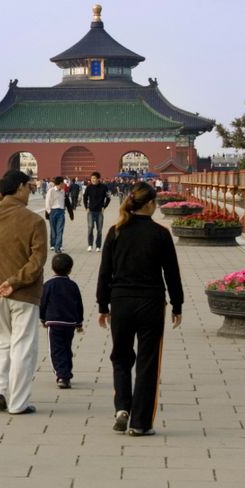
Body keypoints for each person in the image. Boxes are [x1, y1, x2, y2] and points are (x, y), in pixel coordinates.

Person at [97, 182, 183, 436]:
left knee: (121, 357)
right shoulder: (160, 233)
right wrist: (177, 304)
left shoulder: (115, 231)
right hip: (151, 303)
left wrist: (103, 305)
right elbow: (172, 273)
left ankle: (122, 407)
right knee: (148, 362)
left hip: (121, 302)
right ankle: (140, 423)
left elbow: (105, 273)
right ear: (149, 205)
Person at [0, 170, 48, 415]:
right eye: (29, 187)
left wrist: (2, 191)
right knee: (23, 346)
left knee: (0, 342)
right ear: (20, 187)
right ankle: (18, 402)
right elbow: (38, 260)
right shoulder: (35, 221)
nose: (31, 191)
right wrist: (15, 281)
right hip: (24, 293)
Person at [40, 253, 84, 389]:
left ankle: (62, 375)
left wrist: (42, 318)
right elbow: (79, 305)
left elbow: (43, 303)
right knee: (66, 347)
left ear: (52, 268)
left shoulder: (48, 285)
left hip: (53, 322)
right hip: (69, 323)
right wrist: (79, 322)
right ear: (70, 269)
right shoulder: (73, 286)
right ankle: (67, 371)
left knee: (56, 349)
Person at [83, 172, 111, 252]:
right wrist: (86, 207)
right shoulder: (89, 187)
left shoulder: (104, 187)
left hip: (99, 212)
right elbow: (85, 197)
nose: (93, 180)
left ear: (98, 179)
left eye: (94, 178)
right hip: (91, 211)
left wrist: (104, 207)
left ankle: (98, 245)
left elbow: (108, 197)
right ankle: (90, 245)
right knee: (90, 228)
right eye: (92, 179)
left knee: (99, 230)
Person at [44, 175, 67, 254]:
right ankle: (53, 244)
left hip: (61, 212)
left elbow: (63, 202)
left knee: (60, 230)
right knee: (53, 231)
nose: (64, 184)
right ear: (60, 183)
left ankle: (58, 247)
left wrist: (63, 210)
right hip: (53, 212)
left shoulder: (63, 191)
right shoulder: (51, 191)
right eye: (63, 183)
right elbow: (47, 201)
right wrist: (49, 211)